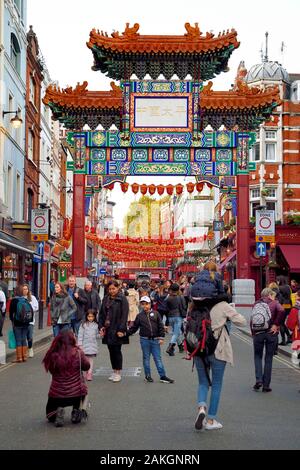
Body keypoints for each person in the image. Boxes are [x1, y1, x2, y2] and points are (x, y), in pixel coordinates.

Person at [190, 297, 246, 431]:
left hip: (199, 349)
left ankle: (202, 407)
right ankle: (210, 420)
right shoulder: (222, 305)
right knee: (216, 384)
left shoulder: (194, 305)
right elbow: (242, 322)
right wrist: (227, 316)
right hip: (218, 349)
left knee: (203, 383)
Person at [43, 330, 90, 427]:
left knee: (49, 416)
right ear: (72, 339)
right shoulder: (78, 353)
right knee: (82, 391)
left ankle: (57, 412)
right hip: (77, 394)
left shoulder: (53, 354)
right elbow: (87, 366)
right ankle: (76, 412)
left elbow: (51, 370)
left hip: (57, 395)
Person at [122, 296, 174, 384]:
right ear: (141, 305)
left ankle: (162, 376)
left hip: (155, 340)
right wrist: (125, 333)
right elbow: (134, 328)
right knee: (146, 358)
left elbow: (160, 326)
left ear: (150, 304)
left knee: (158, 358)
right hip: (144, 340)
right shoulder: (139, 316)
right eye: (143, 304)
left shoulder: (156, 313)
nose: (145, 306)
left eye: (147, 304)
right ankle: (147, 376)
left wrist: (161, 337)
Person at [251, 288, 285, 393]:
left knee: (257, 356)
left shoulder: (256, 303)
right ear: (270, 294)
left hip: (258, 333)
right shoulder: (275, 303)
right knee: (268, 358)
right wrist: (276, 324)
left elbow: (252, 318)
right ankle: (266, 385)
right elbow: (282, 311)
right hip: (271, 333)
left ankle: (259, 380)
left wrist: (253, 333)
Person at [98, 280, 129, 382]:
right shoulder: (106, 298)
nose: (111, 291)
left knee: (117, 350)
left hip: (117, 328)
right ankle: (114, 370)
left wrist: (121, 329)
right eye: (110, 289)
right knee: (111, 350)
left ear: (118, 288)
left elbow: (124, 315)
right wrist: (101, 326)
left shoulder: (122, 299)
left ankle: (118, 372)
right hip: (107, 328)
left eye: (113, 289)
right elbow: (102, 313)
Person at [9, 285, 34, 363]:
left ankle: (19, 357)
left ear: (16, 292)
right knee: (24, 339)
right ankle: (24, 357)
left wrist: (12, 320)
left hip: (17, 323)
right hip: (26, 323)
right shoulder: (25, 300)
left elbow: (11, 313)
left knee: (18, 340)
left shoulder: (14, 301)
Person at [78, 309, 99, 381]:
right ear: (86, 316)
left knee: (91, 360)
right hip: (84, 346)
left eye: (92, 317)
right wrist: (80, 344)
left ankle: (89, 373)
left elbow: (97, 336)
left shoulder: (96, 325)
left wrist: (101, 335)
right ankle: (84, 373)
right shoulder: (83, 325)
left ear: (94, 317)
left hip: (93, 346)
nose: (90, 318)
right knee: (84, 360)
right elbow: (80, 335)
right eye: (89, 316)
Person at [166, 283, 187, 355]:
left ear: (171, 289)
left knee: (176, 332)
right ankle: (170, 346)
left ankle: (181, 347)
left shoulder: (168, 298)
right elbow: (184, 306)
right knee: (175, 333)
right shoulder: (181, 297)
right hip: (178, 316)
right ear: (178, 289)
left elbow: (166, 306)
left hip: (170, 316)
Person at [22, 284, 39, 358]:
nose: (25, 290)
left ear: (28, 290)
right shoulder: (21, 298)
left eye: (26, 289)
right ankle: (24, 351)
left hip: (30, 321)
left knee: (29, 336)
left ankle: (30, 348)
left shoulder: (32, 298)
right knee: (23, 336)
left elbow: (36, 307)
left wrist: (29, 310)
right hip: (22, 321)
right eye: (24, 289)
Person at [277, 276, 292, 345]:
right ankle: (289, 337)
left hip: (282, 306)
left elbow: (279, 298)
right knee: (283, 322)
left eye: (277, 280)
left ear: (280, 280)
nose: (277, 282)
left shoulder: (279, 288)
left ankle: (283, 340)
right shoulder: (288, 286)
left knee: (281, 323)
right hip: (288, 305)